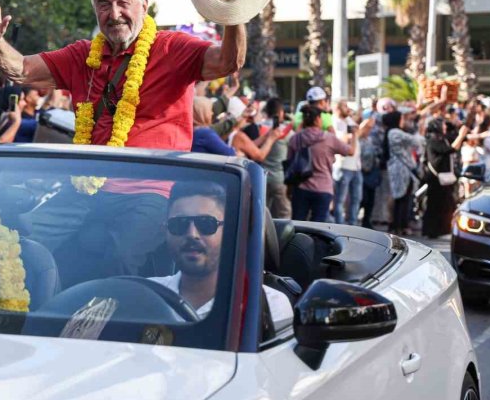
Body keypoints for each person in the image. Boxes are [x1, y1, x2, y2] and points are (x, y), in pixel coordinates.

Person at [0, 0, 244, 151]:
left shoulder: (172, 47)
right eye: (103, 4)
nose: (114, 14)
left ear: (144, 6)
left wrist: (235, 11)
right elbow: (21, 70)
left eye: (123, 2)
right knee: (31, 230)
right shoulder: (81, 55)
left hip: (152, 190)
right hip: (89, 186)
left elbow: (227, 62)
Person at [148, 181, 292, 326]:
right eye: (179, 224)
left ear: (230, 231)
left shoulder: (268, 305)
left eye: (206, 223)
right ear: (165, 231)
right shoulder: (145, 295)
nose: (192, 234)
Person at [287, 105, 356, 222]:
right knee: (318, 228)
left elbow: (290, 164)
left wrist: (289, 189)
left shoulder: (295, 139)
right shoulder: (329, 138)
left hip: (300, 188)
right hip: (323, 188)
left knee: (298, 225)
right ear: (318, 119)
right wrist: (354, 135)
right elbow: (350, 151)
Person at [422, 118, 468, 238]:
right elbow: (449, 150)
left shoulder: (442, 139)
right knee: (435, 205)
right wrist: (461, 136)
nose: (445, 128)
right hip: (436, 179)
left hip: (442, 180)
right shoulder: (433, 140)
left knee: (445, 204)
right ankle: (432, 231)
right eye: (442, 125)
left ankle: (442, 230)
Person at [332, 99, 375, 225]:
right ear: (338, 108)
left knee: (356, 199)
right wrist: (354, 133)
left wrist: (363, 127)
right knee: (340, 200)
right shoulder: (336, 122)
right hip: (343, 165)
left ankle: (352, 226)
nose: (348, 108)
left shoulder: (348, 120)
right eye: (345, 106)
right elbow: (340, 140)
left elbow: (357, 134)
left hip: (356, 166)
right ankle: (339, 227)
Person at [383, 110, 424, 235]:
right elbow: (415, 140)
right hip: (400, 170)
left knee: (404, 199)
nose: (403, 122)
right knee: (401, 198)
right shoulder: (394, 132)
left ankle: (400, 225)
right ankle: (398, 225)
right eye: (402, 119)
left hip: (403, 169)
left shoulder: (393, 132)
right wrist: (420, 129)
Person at [260, 98, 292, 219]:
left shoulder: (259, 127)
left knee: (261, 213)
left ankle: (262, 237)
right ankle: (283, 237)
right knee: (284, 213)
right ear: (280, 113)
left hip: (261, 177)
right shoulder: (286, 131)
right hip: (280, 178)